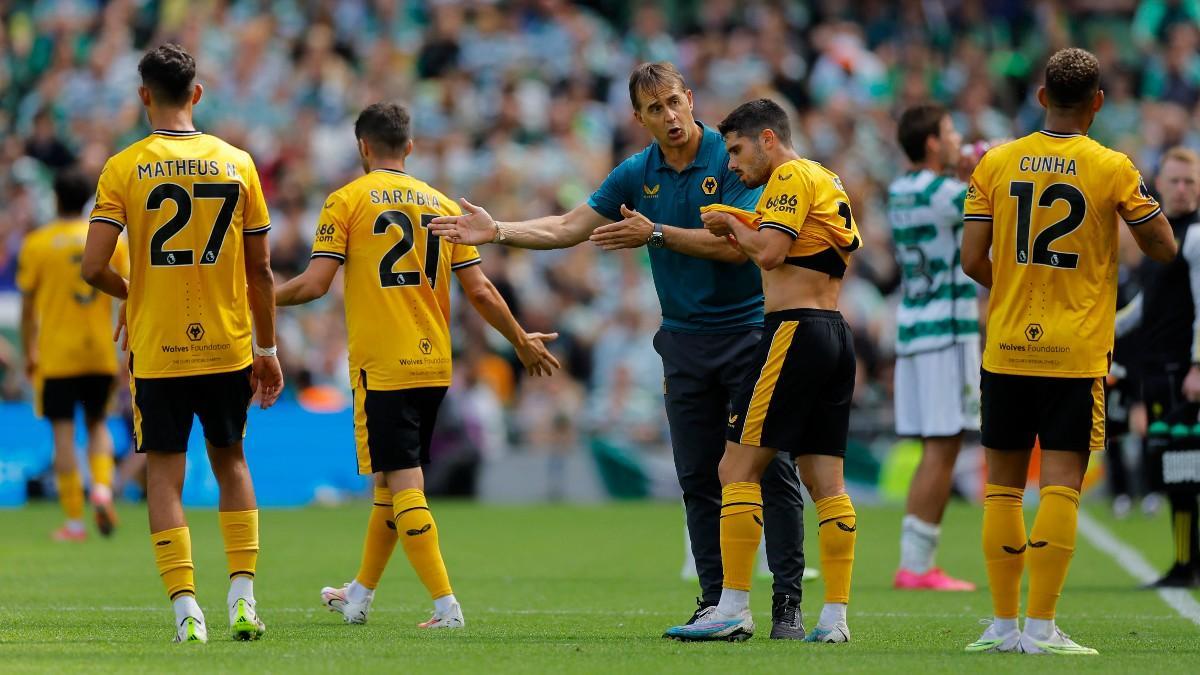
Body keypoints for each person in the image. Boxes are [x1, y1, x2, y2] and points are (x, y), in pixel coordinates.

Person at [430, 62, 809, 639]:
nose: (669, 117)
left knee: (771, 468)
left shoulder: (731, 158)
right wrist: (499, 230)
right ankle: (718, 605)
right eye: (654, 109)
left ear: (691, 99)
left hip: (749, 334)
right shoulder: (638, 172)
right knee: (698, 476)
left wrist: (653, 232)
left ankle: (787, 601)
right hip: (683, 342)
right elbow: (566, 226)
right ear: (639, 118)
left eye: (675, 103)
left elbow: (739, 247)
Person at [275, 102, 560, 630]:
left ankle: (445, 606)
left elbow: (315, 284)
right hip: (433, 364)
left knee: (404, 484)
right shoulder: (440, 205)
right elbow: (479, 288)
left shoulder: (346, 200)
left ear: (362, 147)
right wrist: (519, 339)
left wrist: (260, 300)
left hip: (383, 365)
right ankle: (359, 594)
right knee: (390, 482)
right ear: (409, 146)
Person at [960, 47, 1177, 655]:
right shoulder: (1112, 166)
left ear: (1040, 97)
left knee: (1002, 489)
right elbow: (1162, 247)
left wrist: (1019, 286)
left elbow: (972, 259)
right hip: (1075, 352)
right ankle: (1040, 628)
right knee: (1061, 489)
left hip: (1006, 346)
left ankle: (1003, 626)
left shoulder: (997, 163)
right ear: (1098, 103)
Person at [81, 44, 284, 644]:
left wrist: (132, 293)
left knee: (164, 475)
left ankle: (186, 611)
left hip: (159, 346)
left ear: (144, 95)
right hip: (227, 343)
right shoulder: (238, 163)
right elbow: (263, 272)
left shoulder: (123, 167)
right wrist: (267, 349)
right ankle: (244, 598)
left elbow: (93, 267)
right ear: (196, 94)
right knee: (232, 463)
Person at [663, 98, 862, 643]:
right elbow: (812, 244)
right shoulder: (828, 178)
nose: (730, 164)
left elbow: (771, 253)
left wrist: (731, 223)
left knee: (734, 469)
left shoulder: (790, 176)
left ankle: (731, 607)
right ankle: (835, 619)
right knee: (827, 483)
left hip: (793, 329)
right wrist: (743, 222)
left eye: (736, 149)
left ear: (768, 138)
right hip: (835, 333)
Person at [886, 104, 979, 591]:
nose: (957, 137)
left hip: (914, 330)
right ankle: (917, 565)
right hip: (947, 331)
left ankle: (915, 560)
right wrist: (980, 164)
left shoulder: (900, 189)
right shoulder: (944, 192)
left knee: (933, 448)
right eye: (949, 131)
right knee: (944, 447)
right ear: (931, 144)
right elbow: (997, 204)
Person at [18, 166, 128, 541]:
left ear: (55, 198)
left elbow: (28, 308)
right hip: (98, 351)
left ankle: (75, 522)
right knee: (98, 425)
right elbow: (129, 291)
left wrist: (29, 350)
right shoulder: (111, 241)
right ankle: (101, 487)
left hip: (56, 354)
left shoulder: (37, 244)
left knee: (63, 435)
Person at [1113, 146, 1200, 588]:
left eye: (1190, 181)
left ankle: (1187, 566)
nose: (1182, 189)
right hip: (1161, 371)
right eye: (1174, 180)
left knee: (1186, 471)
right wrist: (1100, 333)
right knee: (1179, 472)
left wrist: (1198, 365)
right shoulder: (1160, 235)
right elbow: (1144, 309)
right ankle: (1185, 563)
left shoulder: (1197, 235)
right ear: (1158, 184)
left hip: (1184, 372)